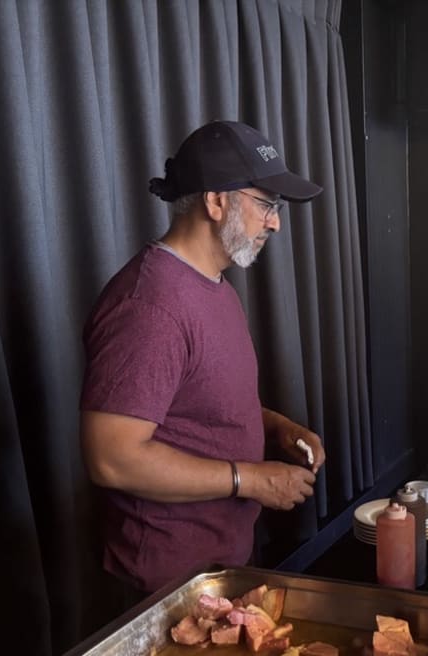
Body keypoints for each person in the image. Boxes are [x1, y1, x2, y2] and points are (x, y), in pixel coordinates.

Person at [79, 121, 327, 596]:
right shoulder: (148, 305)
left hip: (218, 566)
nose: (274, 222)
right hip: (162, 585)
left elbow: (200, 405)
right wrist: (249, 479)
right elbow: (112, 458)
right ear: (216, 201)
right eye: (265, 205)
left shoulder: (216, 287)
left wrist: (278, 429)